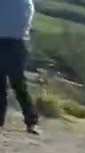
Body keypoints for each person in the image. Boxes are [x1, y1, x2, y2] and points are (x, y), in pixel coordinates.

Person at [0, 0, 37, 135]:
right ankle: (31, 120)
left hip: (7, 41)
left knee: (5, 85)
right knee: (19, 84)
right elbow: (26, 22)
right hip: (18, 42)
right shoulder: (26, 2)